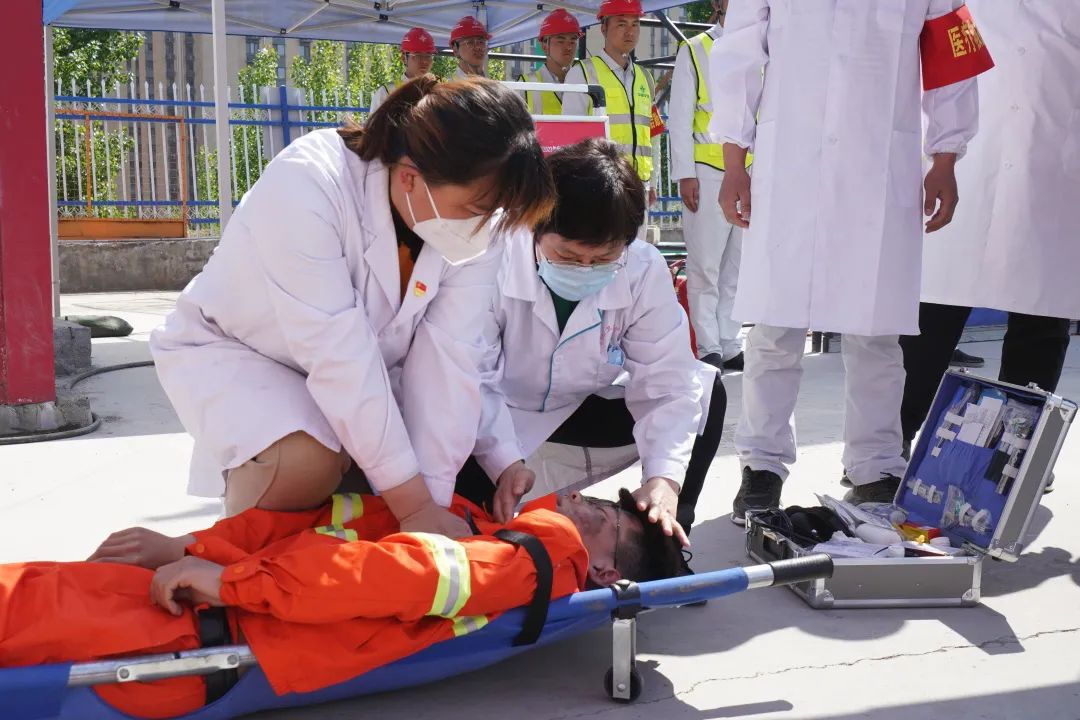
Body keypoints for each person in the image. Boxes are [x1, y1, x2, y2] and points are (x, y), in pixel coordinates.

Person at [150, 77, 555, 538]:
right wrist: (413, 507)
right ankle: (228, 561)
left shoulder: (474, 225)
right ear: (410, 178)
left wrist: (430, 508)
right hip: (241, 352)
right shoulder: (308, 182)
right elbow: (339, 356)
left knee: (378, 497)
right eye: (477, 207)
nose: (487, 225)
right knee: (305, 463)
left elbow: (451, 358)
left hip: (357, 371)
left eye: (497, 211)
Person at [0, 488, 688, 719]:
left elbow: (381, 577)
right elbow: (319, 528)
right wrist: (192, 546)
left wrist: (226, 580)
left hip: (188, 633)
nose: (584, 500)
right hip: (192, 606)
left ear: (603, 568)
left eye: (604, 515)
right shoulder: (480, 523)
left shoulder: (534, 560)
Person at [709, 1, 990, 522]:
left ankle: (875, 466)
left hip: (879, 167)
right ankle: (762, 466)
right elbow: (737, 56)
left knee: (876, 332)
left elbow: (954, 63)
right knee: (774, 326)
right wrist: (733, 161)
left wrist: (946, 157)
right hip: (789, 164)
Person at [455, 139, 726, 546]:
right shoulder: (489, 257)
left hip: (577, 406)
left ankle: (666, 539)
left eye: (602, 260)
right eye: (566, 256)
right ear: (534, 225)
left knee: (706, 393)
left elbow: (668, 380)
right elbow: (472, 378)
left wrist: (664, 478)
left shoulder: (642, 268)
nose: (584, 270)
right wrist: (504, 461)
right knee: (472, 523)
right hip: (495, 412)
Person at [901, 0, 1080, 449]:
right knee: (931, 313)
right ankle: (889, 444)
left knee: (1040, 318)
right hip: (961, 163)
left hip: (1051, 168)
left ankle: (1013, 457)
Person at [668, 0, 750, 373]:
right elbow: (680, 118)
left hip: (749, 172)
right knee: (705, 267)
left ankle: (730, 343)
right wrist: (685, 174)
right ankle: (708, 346)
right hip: (706, 173)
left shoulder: (759, 47)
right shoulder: (696, 49)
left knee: (737, 266)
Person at [563, 0, 658, 209]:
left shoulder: (645, 77)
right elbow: (571, 139)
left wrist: (653, 181)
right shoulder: (582, 74)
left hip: (639, 185)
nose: (630, 31)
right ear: (603, 28)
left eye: (635, 24)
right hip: (600, 186)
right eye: (621, 24)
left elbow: (653, 133)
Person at [516, 9, 583, 115]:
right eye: (561, 41)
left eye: (573, 41)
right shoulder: (525, 86)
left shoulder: (584, 81)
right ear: (544, 46)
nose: (568, 47)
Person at [369, 27, 436, 114]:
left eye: (428, 55)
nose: (424, 61)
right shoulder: (387, 93)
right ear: (404, 58)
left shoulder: (438, 90)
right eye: (417, 55)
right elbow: (374, 123)